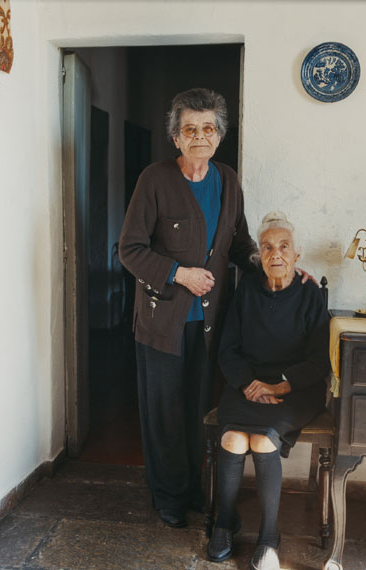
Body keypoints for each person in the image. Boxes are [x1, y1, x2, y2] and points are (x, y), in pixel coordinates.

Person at [118, 89, 313, 529]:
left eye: (208, 128)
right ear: (176, 137)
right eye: (190, 129)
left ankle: (193, 491)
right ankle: (168, 495)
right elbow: (129, 250)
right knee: (165, 412)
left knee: (198, 411)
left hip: (209, 323)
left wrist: (278, 265)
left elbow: (240, 244)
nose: (200, 137)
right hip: (162, 322)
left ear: (219, 135)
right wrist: (178, 274)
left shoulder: (227, 179)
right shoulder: (154, 179)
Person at [207, 212, 330, 570]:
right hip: (245, 385)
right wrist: (247, 384)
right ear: (259, 255)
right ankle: (225, 522)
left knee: (262, 441)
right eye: (267, 247)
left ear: (297, 254)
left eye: (284, 246)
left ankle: (269, 535)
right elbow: (227, 349)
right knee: (232, 440)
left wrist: (279, 384)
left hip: (294, 389)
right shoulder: (246, 289)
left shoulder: (310, 295)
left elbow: (320, 360)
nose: (276, 254)